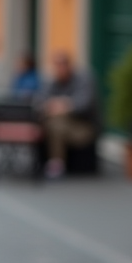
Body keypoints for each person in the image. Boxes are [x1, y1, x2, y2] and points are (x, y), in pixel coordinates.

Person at [36, 50, 99, 179]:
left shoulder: (84, 79)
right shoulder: (52, 82)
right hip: (56, 124)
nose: (59, 69)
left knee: (56, 123)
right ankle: (48, 162)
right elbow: (41, 101)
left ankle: (56, 163)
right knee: (51, 122)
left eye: (62, 65)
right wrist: (54, 106)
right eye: (56, 65)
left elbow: (84, 104)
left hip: (83, 127)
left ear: (69, 65)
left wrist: (64, 105)